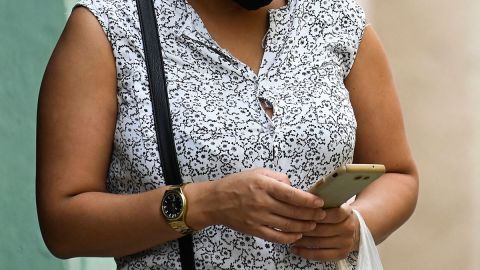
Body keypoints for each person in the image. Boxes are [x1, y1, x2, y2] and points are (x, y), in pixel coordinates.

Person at [36, 0, 418, 269]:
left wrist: (354, 227)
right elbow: (63, 223)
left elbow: (398, 174)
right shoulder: (109, 27)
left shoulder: (338, 20)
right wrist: (206, 203)